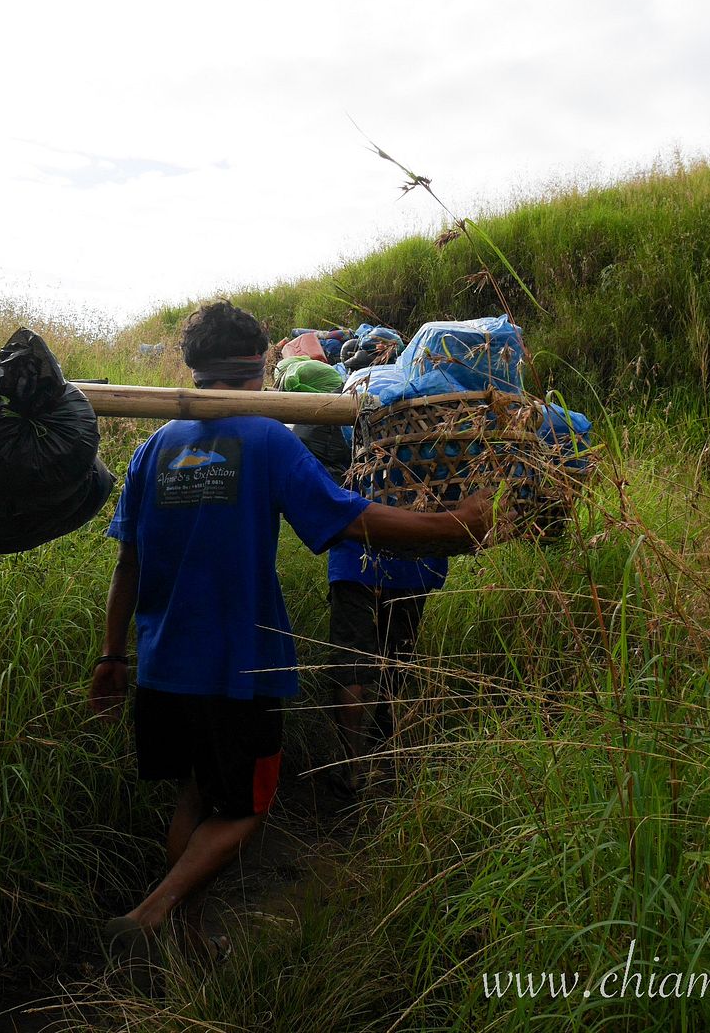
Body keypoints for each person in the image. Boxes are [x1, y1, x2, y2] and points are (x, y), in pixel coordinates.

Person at [88, 299, 499, 972]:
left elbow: (126, 563)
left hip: (162, 663)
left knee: (196, 794)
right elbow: (350, 522)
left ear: (194, 370)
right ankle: (149, 916)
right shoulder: (268, 438)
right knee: (246, 810)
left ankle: (188, 938)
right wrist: (457, 528)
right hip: (238, 667)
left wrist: (111, 656)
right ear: (259, 371)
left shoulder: (149, 452)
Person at [288, 416, 448, 798]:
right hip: (417, 560)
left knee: (351, 661)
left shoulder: (343, 418)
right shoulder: (433, 423)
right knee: (397, 661)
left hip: (354, 561)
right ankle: (386, 756)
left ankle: (353, 766)